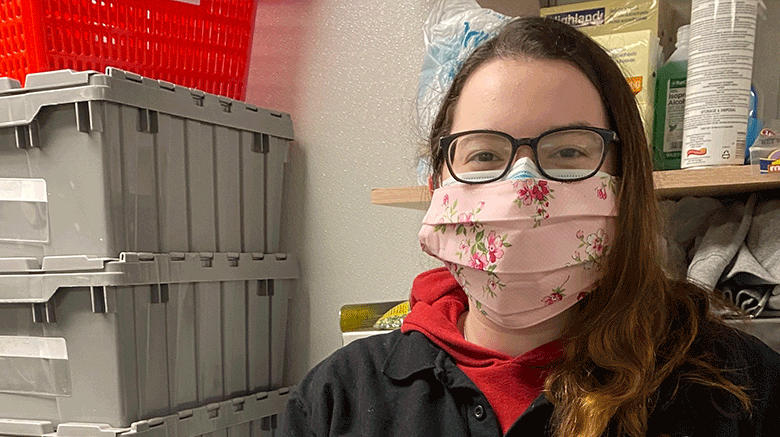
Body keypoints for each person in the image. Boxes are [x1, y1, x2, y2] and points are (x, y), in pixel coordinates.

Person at [281, 16, 780, 437]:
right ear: (437, 185)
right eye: (484, 154)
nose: (523, 185)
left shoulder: (736, 388)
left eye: (567, 151)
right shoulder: (336, 399)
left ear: (623, 183)